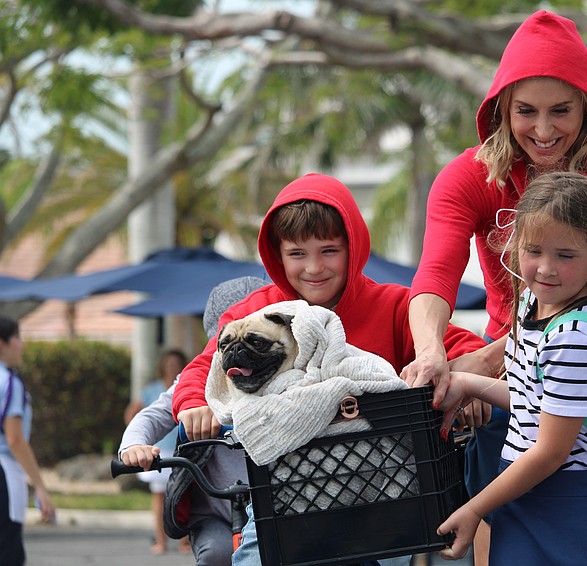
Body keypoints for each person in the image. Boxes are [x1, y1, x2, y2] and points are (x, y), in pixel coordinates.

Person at [402, 10, 587, 563]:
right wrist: (433, 355)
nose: (543, 130)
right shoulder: (469, 175)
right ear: (502, 109)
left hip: (583, 366)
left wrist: (482, 365)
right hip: (511, 368)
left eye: (560, 110)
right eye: (526, 111)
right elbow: (436, 273)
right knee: (499, 530)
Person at [171, 173, 487, 565]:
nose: (314, 267)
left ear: (353, 246)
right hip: (285, 495)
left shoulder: (393, 305)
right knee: (253, 557)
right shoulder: (255, 312)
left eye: (329, 250)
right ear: (276, 255)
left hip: (384, 490)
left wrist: (470, 384)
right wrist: (193, 404)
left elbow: (462, 346)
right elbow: (206, 367)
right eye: (297, 254)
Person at [425, 172, 587, 563]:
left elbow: (549, 452)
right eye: (534, 251)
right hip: (533, 492)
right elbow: (536, 404)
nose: (546, 268)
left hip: (575, 505)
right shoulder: (534, 304)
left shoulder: (576, 336)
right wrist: (470, 384)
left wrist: (475, 508)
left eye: (565, 255)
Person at [119, 276, 267, 566]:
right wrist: (134, 445)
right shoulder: (196, 381)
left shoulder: (285, 375)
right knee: (216, 554)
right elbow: (153, 415)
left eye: (255, 340)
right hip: (216, 513)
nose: (243, 355)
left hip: (272, 507)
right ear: (215, 343)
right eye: (230, 341)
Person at [0, 315, 56, 566]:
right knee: (8, 553)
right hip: (4, 472)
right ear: (2, 344)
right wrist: (40, 487)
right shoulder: (9, 381)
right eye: (17, 338)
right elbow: (15, 440)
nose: (21, 345)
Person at [123, 347, 189, 555]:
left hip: (182, 449)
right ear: (162, 366)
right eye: (168, 364)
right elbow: (133, 413)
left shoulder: (188, 386)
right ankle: (161, 541)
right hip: (159, 450)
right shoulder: (152, 390)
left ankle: (185, 541)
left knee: (183, 496)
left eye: (176, 364)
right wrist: (136, 438)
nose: (172, 367)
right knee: (160, 497)